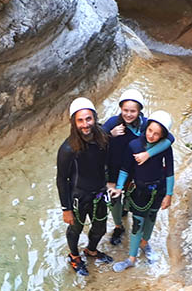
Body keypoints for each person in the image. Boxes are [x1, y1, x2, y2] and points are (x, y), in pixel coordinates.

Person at [101, 88, 172, 246]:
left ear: (140, 111)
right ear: (120, 109)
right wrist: (109, 134)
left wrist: (148, 154)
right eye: (125, 110)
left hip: (136, 169)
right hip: (114, 169)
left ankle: (132, 218)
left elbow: (169, 138)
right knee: (114, 198)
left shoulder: (146, 125)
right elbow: (95, 139)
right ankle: (119, 226)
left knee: (133, 197)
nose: (128, 114)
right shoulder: (113, 122)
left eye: (133, 111)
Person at [56, 96, 115, 277]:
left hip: (99, 193)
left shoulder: (103, 137)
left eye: (88, 119)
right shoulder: (68, 150)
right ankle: (74, 256)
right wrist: (66, 209)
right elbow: (61, 180)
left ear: (95, 118)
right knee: (75, 229)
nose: (85, 124)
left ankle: (91, 250)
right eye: (80, 120)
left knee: (100, 228)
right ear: (74, 123)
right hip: (78, 196)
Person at [111, 110, 175, 271]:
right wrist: (119, 188)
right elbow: (125, 169)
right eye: (149, 131)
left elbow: (169, 172)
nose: (151, 136)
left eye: (156, 134)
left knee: (151, 218)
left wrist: (168, 194)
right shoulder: (134, 145)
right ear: (145, 128)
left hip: (158, 189)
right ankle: (131, 258)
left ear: (162, 136)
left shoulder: (165, 148)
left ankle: (145, 243)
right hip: (139, 191)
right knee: (137, 223)